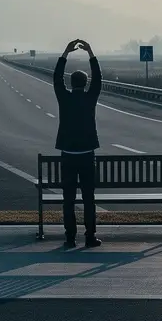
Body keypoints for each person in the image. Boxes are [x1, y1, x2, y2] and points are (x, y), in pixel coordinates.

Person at [53, 39, 103, 248]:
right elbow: (99, 78)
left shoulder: (64, 98)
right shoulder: (91, 98)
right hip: (87, 154)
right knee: (88, 198)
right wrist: (91, 52)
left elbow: (56, 78)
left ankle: (70, 237)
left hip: (68, 153)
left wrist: (65, 52)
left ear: (70, 83)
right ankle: (90, 236)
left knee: (69, 199)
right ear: (86, 83)